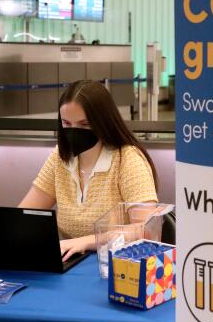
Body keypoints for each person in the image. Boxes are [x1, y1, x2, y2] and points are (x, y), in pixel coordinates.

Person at [18, 80, 158, 259]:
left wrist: (86, 241)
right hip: (71, 264)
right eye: (67, 124)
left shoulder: (127, 159)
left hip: (117, 265)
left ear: (103, 122)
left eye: (84, 125)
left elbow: (145, 229)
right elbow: (24, 215)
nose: (74, 131)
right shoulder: (60, 157)